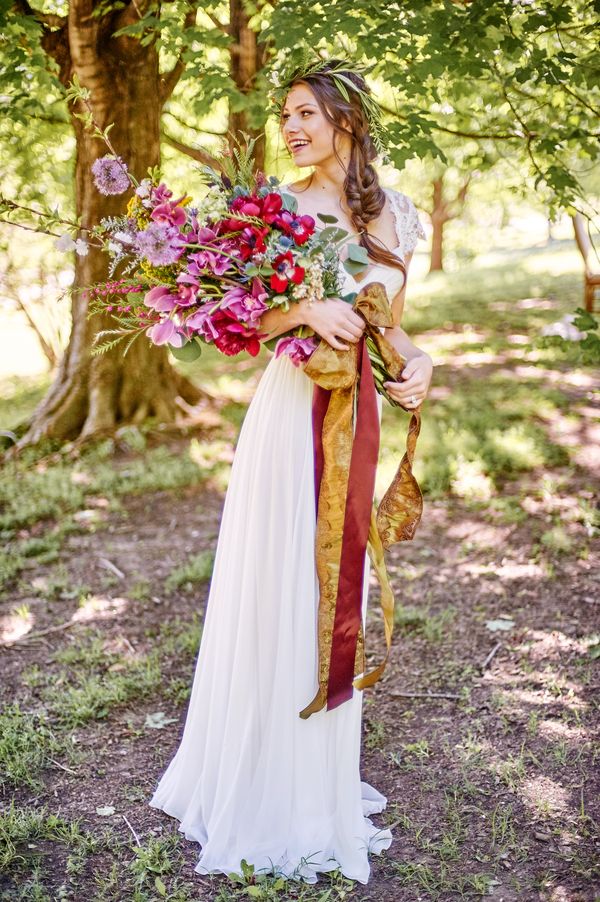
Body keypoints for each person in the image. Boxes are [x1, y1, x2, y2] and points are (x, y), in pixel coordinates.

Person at [149, 59, 434, 885]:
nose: (293, 127)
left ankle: (316, 784)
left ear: (346, 118)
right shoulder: (275, 208)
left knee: (329, 588)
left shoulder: (400, 215)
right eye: (286, 115)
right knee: (284, 583)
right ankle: (261, 781)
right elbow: (231, 317)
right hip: (289, 417)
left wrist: (420, 367)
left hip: (358, 421)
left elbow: (393, 331)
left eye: (306, 111)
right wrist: (305, 309)